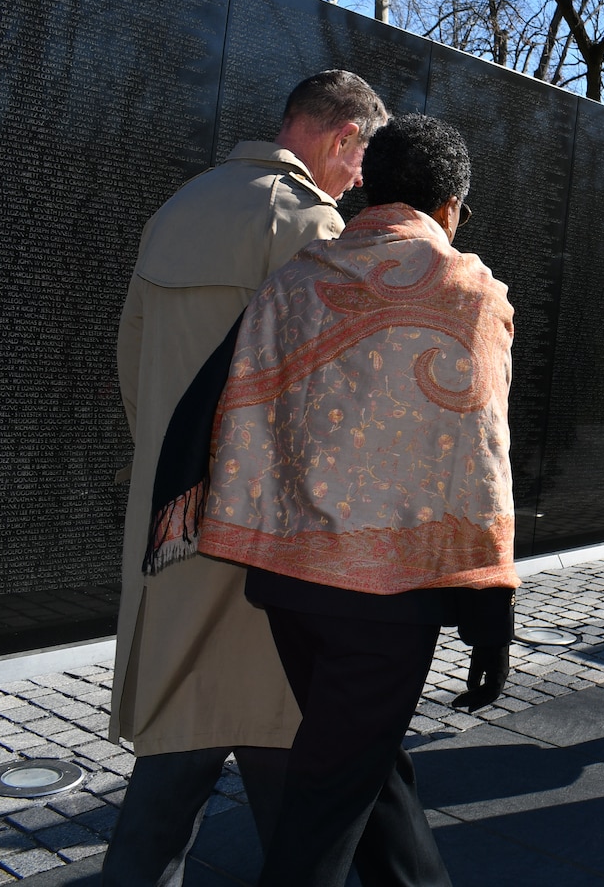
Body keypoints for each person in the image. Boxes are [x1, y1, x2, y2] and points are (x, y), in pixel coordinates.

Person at [192, 115, 517, 887]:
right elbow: (481, 451)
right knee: (329, 804)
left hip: (284, 581)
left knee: (366, 763)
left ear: (369, 185)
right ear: (450, 206)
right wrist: (490, 602)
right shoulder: (468, 292)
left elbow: (248, 420)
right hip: (388, 596)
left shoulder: (294, 280)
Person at [107, 70, 388, 885]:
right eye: (360, 158)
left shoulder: (178, 210)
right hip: (265, 549)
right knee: (293, 777)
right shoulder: (310, 226)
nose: (360, 177)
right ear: (341, 139)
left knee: (175, 763)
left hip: (174, 535)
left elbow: (132, 366)